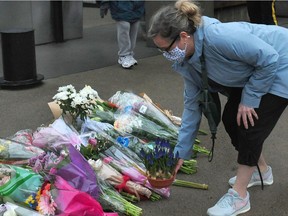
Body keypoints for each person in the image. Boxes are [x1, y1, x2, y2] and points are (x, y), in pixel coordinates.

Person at [147, 0, 288, 215]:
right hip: (256, 72)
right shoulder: (187, 60)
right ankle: (261, 170)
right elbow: (193, 107)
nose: (166, 56)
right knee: (232, 121)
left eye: (166, 49)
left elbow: (269, 58)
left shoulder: (219, 37)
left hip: (280, 63)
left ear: (183, 37)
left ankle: (239, 195)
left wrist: (249, 100)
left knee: (249, 124)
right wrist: (180, 153)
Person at [100, 0, 145, 69]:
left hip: (136, 5)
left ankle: (129, 54)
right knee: (124, 27)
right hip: (120, 5)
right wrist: (104, 3)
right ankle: (124, 55)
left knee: (134, 27)